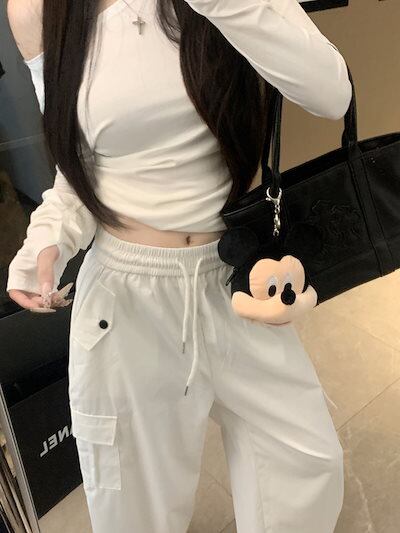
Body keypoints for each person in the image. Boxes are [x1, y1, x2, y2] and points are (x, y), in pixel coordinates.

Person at [6, 0, 351, 531]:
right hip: (127, 302)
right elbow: (77, 165)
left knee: (305, 467)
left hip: (235, 280)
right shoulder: (37, 9)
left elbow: (331, 93)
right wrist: (49, 238)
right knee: (137, 509)